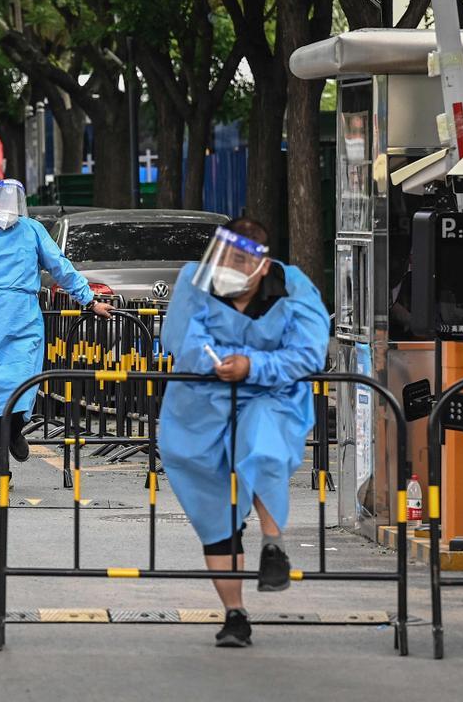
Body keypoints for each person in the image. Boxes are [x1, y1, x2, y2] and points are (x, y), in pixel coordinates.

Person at [158, 218, 328, 648]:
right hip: (199, 404)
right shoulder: (194, 279)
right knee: (213, 513)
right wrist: (218, 361)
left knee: (260, 447)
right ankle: (234, 615)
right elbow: (183, 338)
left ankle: (273, 544)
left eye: (238, 262)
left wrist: (253, 367)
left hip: (269, 396)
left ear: (261, 264)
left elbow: (307, 352)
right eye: (222, 261)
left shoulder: (293, 289)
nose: (227, 271)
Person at [0, 180, 112, 489]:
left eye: (13, 202)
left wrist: (89, 299)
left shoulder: (32, 230)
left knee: (24, 385)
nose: (7, 209)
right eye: (0, 201)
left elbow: (59, 266)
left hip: (22, 317)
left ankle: (16, 429)